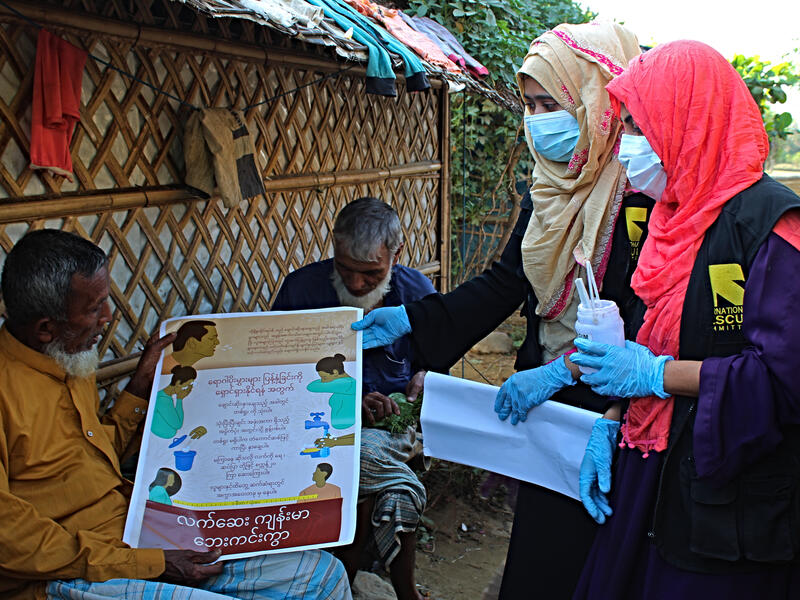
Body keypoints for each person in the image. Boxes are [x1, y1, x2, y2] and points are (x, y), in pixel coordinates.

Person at [351, 22, 646, 599]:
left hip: (616, 401)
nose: (537, 120)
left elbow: (650, 314)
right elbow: (506, 282)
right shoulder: (549, 188)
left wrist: (570, 372)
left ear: (595, 99)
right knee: (539, 548)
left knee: (598, 551)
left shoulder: (640, 191)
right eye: (530, 104)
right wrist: (413, 318)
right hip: (547, 397)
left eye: (549, 104)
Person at [0, 229, 351, 600]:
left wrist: (138, 389)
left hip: (134, 529)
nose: (107, 317)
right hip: (68, 572)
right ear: (45, 328)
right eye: (92, 308)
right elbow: (12, 542)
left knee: (322, 577)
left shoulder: (69, 360)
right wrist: (151, 562)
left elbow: (97, 458)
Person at [568, 40, 800, 599]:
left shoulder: (772, 229)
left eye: (640, 129)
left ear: (691, 123)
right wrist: (614, 413)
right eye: (624, 129)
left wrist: (655, 376)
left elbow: (783, 380)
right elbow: (648, 331)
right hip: (653, 465)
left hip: (729, 497)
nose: (626, 149)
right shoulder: (666, 216)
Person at [272, 197, 436, 600]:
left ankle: (347, 580)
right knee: (361, 463)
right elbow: (277, 375)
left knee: (361, 457)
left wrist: (422, 380)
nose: (357, 283)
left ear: (396, 257)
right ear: (334, 250)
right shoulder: (302, 290)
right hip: (313, 423)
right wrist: (342, 403)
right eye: (345, 270)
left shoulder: (417, 295)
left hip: (398, 424)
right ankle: (374, 585)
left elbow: (435, 366)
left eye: (371, 273)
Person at [306, 354, 358, 429]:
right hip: (343, 426)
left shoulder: (346, 384)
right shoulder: (346, 383)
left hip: (346, 427)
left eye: (324, 377)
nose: (323, 381)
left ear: (335, 372)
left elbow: (311, 387)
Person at [151, 365, 196, 439]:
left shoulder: (165, 397)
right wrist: (179, 399)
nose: (187, 389)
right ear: (178, 383)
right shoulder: (163, 400)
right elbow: (178, 424)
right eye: (187, 385)